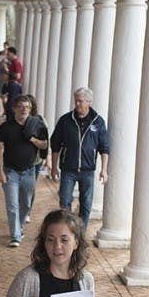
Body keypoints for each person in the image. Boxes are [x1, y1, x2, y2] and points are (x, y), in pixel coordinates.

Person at [51, 87, 109, 228]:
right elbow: (55, 144)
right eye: (76, 101)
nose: (77, 104)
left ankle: (81, 232)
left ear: (89, 102)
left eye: (80, 101)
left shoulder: (98, 122)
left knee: (86, 204)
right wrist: (54, 167)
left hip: (87, 171)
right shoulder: (65, 120)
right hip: (68, 169)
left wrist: (104, 170)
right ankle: (68, 229)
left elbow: (104, 147)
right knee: (65, 201)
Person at [0, 96, 48, 247]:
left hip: (29, 172)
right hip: (10, 172)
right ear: (14, 109)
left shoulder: (36, 125)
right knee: (12, 205)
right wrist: (0, 171)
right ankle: (15, 236)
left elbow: (44, 145)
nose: (24, 109)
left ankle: (19, 226)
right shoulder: (6, 127)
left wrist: (32, 139)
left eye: (27, 107)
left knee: (26, 204)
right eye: (21, 106)